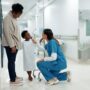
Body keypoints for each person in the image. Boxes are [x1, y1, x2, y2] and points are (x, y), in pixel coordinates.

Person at [2, 3, 24, 85]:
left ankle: (14, 76)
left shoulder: (13, 18)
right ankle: (12, 80)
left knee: (12, 61)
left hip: (14, 44)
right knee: (11, 61)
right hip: (10, 45)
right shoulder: (7, 19)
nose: (19, 16)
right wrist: (12, 46)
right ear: (14, 12)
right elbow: (7, 33)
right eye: (19, 14)